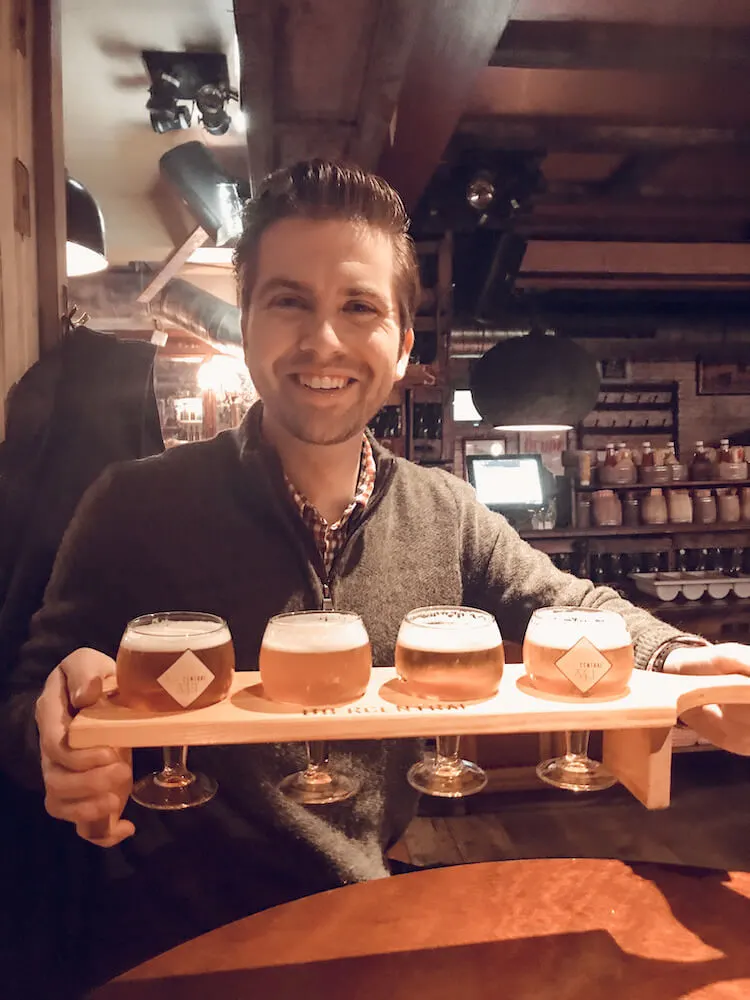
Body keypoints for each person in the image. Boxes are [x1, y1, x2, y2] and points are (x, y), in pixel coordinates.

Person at [3, 160, 750, 992]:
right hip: (172, 941)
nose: (323, 340)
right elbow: (30, 695)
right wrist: (55, 744)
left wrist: (681, 660)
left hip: (367, 919)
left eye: (358, 307)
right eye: (288, 301)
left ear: (401, 349)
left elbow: (571, 602)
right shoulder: (135, 504)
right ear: (245, 326)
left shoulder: (444, 510)